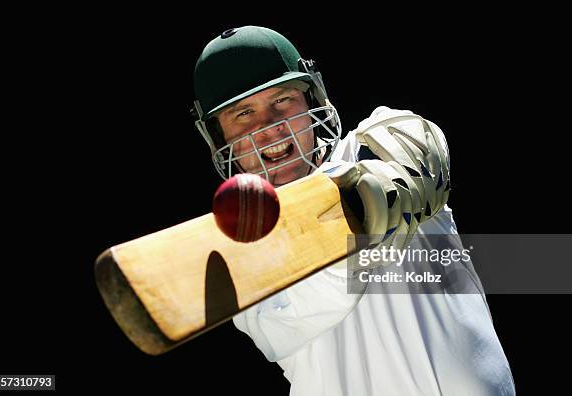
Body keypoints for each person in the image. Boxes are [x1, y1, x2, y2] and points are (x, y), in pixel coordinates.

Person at [192, 26, 515, 395]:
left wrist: (372, 193)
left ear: (312, 99)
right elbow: (306, 310)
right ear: (220, 138)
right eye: (244, 113)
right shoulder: (242, 253)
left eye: (282, 100)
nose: (268, 127)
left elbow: (418, 152)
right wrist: (354, 226)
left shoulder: (377, 143)